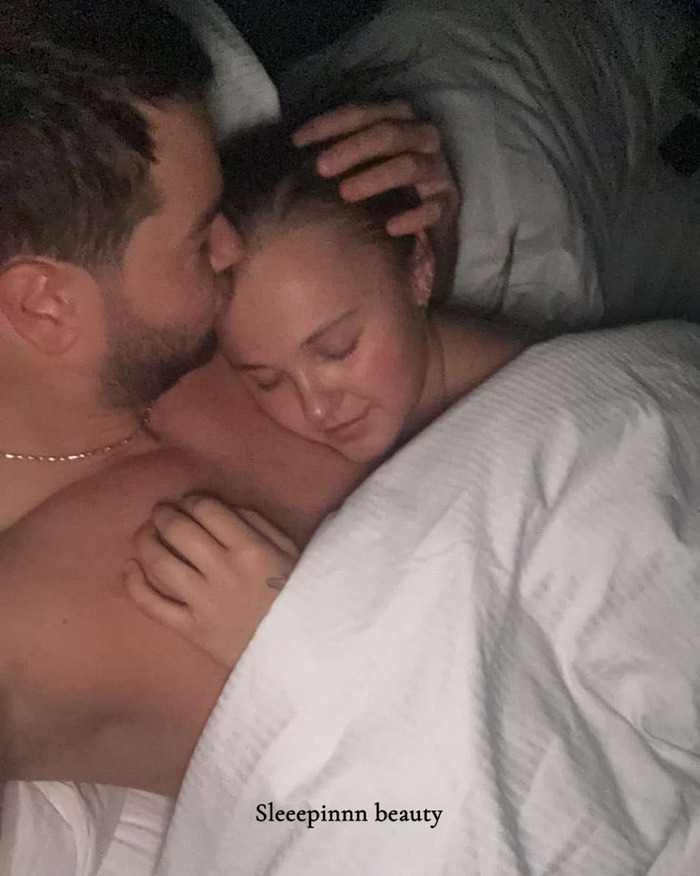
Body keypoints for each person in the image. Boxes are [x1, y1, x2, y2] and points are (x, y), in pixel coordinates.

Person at [0, 0, 457, 802]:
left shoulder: (211, 324)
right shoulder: (28, 625)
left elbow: (445, 382)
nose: (231, 248)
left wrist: (411, 235)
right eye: (199, 232)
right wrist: (311, 656)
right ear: (42, 306)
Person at [121, 124, 525, 667]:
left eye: (337, 348)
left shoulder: (562, 434)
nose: (314, 408)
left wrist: (297, 641)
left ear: (422, 268)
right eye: (266, 379)